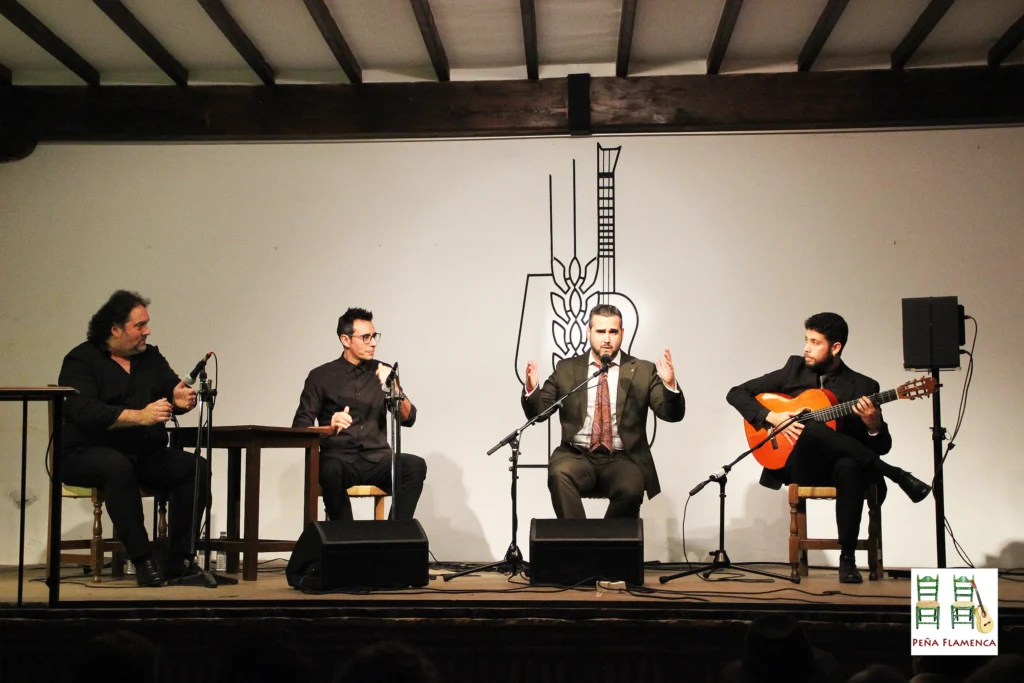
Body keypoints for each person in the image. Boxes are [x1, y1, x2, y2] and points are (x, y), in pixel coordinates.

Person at [725, 312, 932, 584]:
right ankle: (897, 475)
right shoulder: (793, 369)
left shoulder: (864, 386)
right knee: (809, 426)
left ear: (836, 347)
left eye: (815, 342)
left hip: (842, 470)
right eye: (806, 340)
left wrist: (874, 424)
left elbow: (882, 445)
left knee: (848, 466)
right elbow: (736, 392)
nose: (806, 348)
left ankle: (847, 559)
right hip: (800, 464)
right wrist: (773, 417)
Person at [57, 290, 209, 587]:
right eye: (139, 325)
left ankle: (179, 561)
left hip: (143, 453)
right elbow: (85, 411)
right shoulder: (81, 360)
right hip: (88, 452)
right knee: (117, 466)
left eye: (146, 324)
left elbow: (171, 388)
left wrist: (180, 399)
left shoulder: (150, 357)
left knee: (196, 468)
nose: (147, 331)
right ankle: (143, 560)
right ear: (115, 329)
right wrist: (139, 416)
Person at [521, 303, 685, 518]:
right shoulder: (566, 368)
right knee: (559, 473)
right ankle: (579, 543)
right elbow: (539, 414)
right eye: (600, 331)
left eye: (613, 331)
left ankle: (606, 545)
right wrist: (532, 389)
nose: (606, 338)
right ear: (589, 332)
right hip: (576, 455)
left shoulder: (644, 370)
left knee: (631, 488)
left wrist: (670, 386)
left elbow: (671, 415)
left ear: (622, 334)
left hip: (622, 458)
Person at [292, 307, 426, 521]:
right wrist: (328, 428)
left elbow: (408, 418)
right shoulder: (320, 376)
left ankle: (392, 537)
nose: (373, 343)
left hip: (378, 458)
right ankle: (347, 542)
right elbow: (299, 428)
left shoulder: (383, 371)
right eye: (366, 337)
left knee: (414, 466)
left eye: (374, 336)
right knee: (329, 470)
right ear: (346, 340)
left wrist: (394, 388)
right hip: (339, 459)